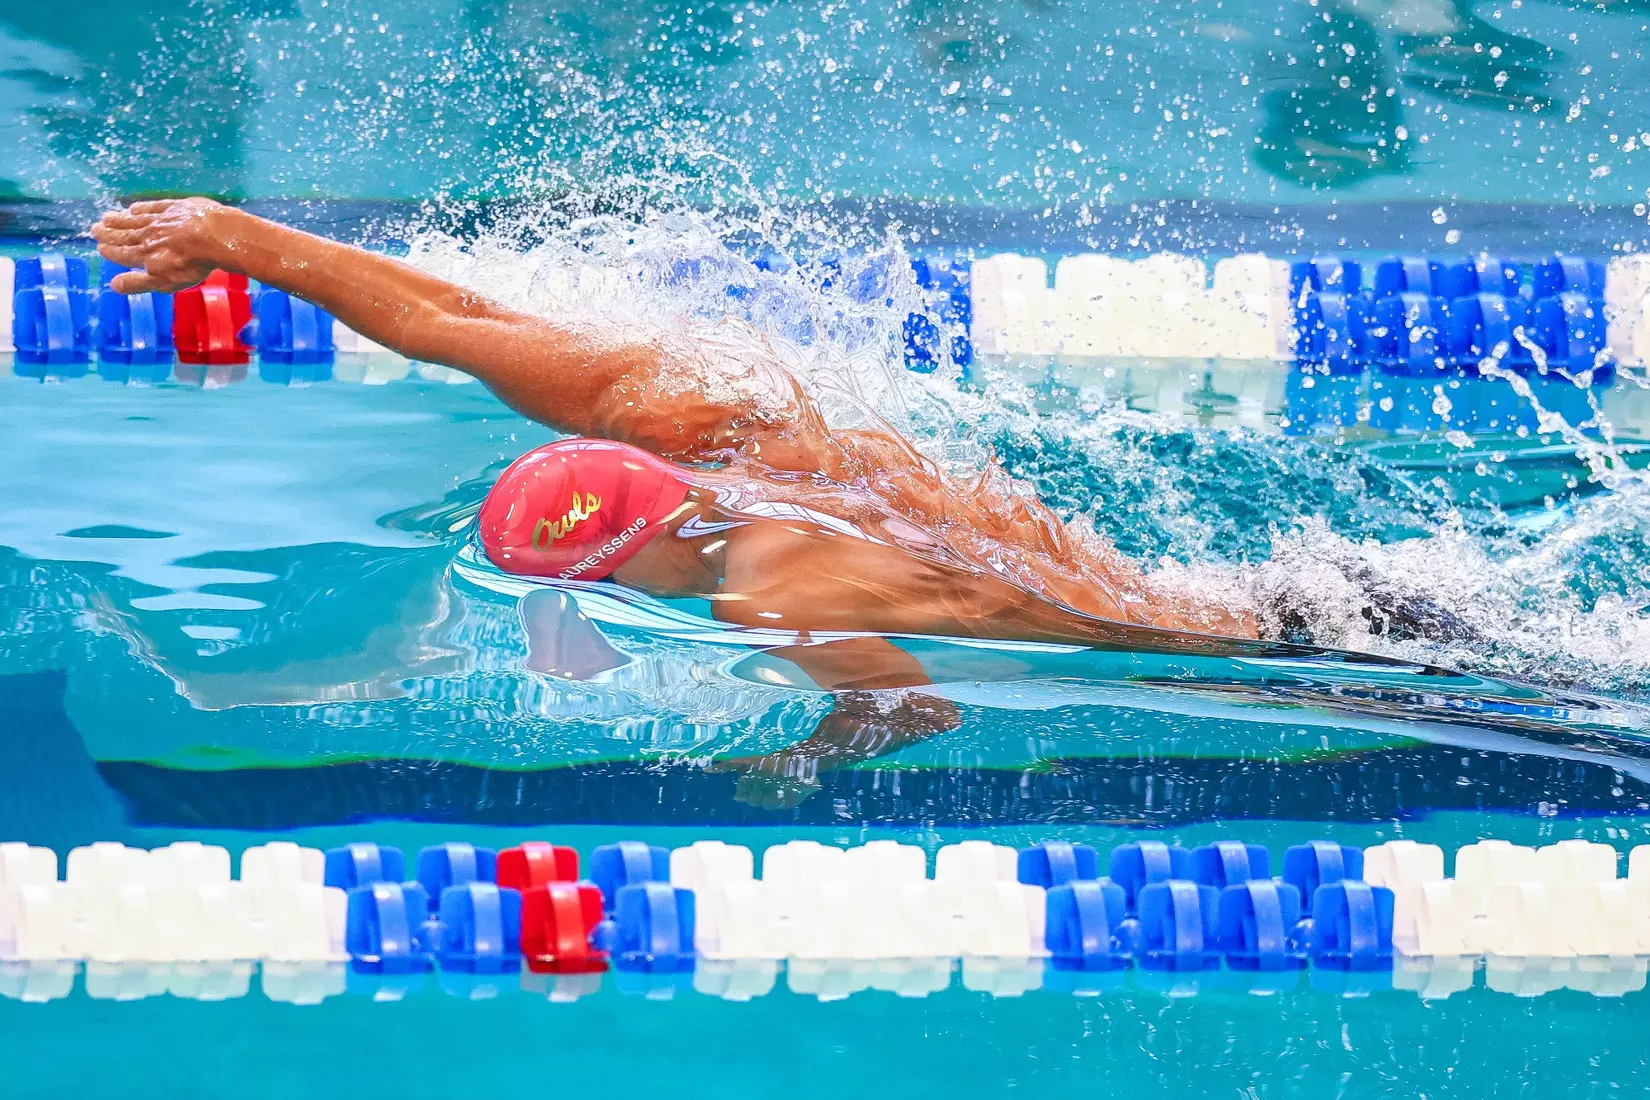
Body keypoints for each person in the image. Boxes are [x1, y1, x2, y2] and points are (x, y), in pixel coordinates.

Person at [89, 198, 1424, 805]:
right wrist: (239, 238)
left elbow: (914, 702)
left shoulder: (775, 594)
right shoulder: (688, 420)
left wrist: (793, 763)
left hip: (1288, 659)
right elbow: (445, 320)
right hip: (1291, 582)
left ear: (634, 550)